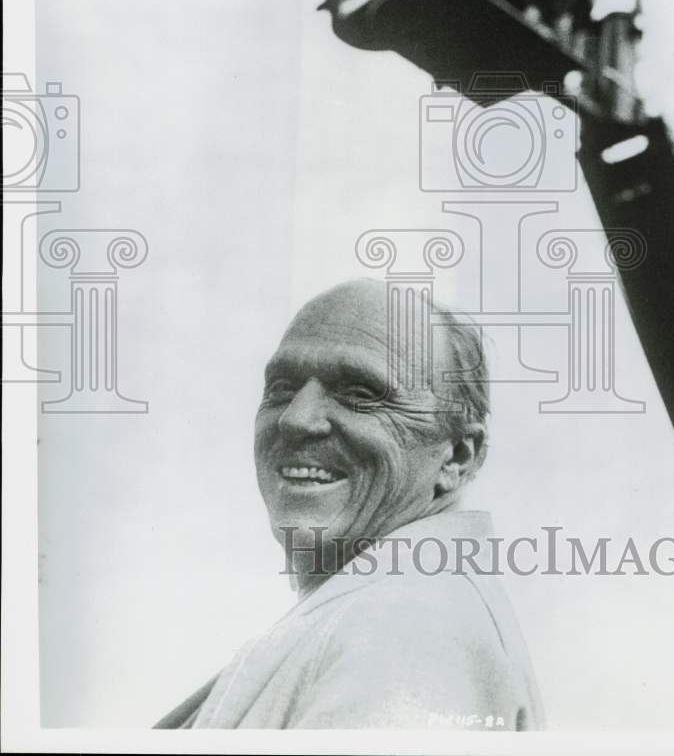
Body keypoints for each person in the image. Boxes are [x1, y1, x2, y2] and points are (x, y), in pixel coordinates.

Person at [155, 278, 543, 730]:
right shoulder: (375, 607)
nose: (296, 418)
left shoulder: (408, 625)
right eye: (281, 387)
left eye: (360, 394)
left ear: (456, 456)